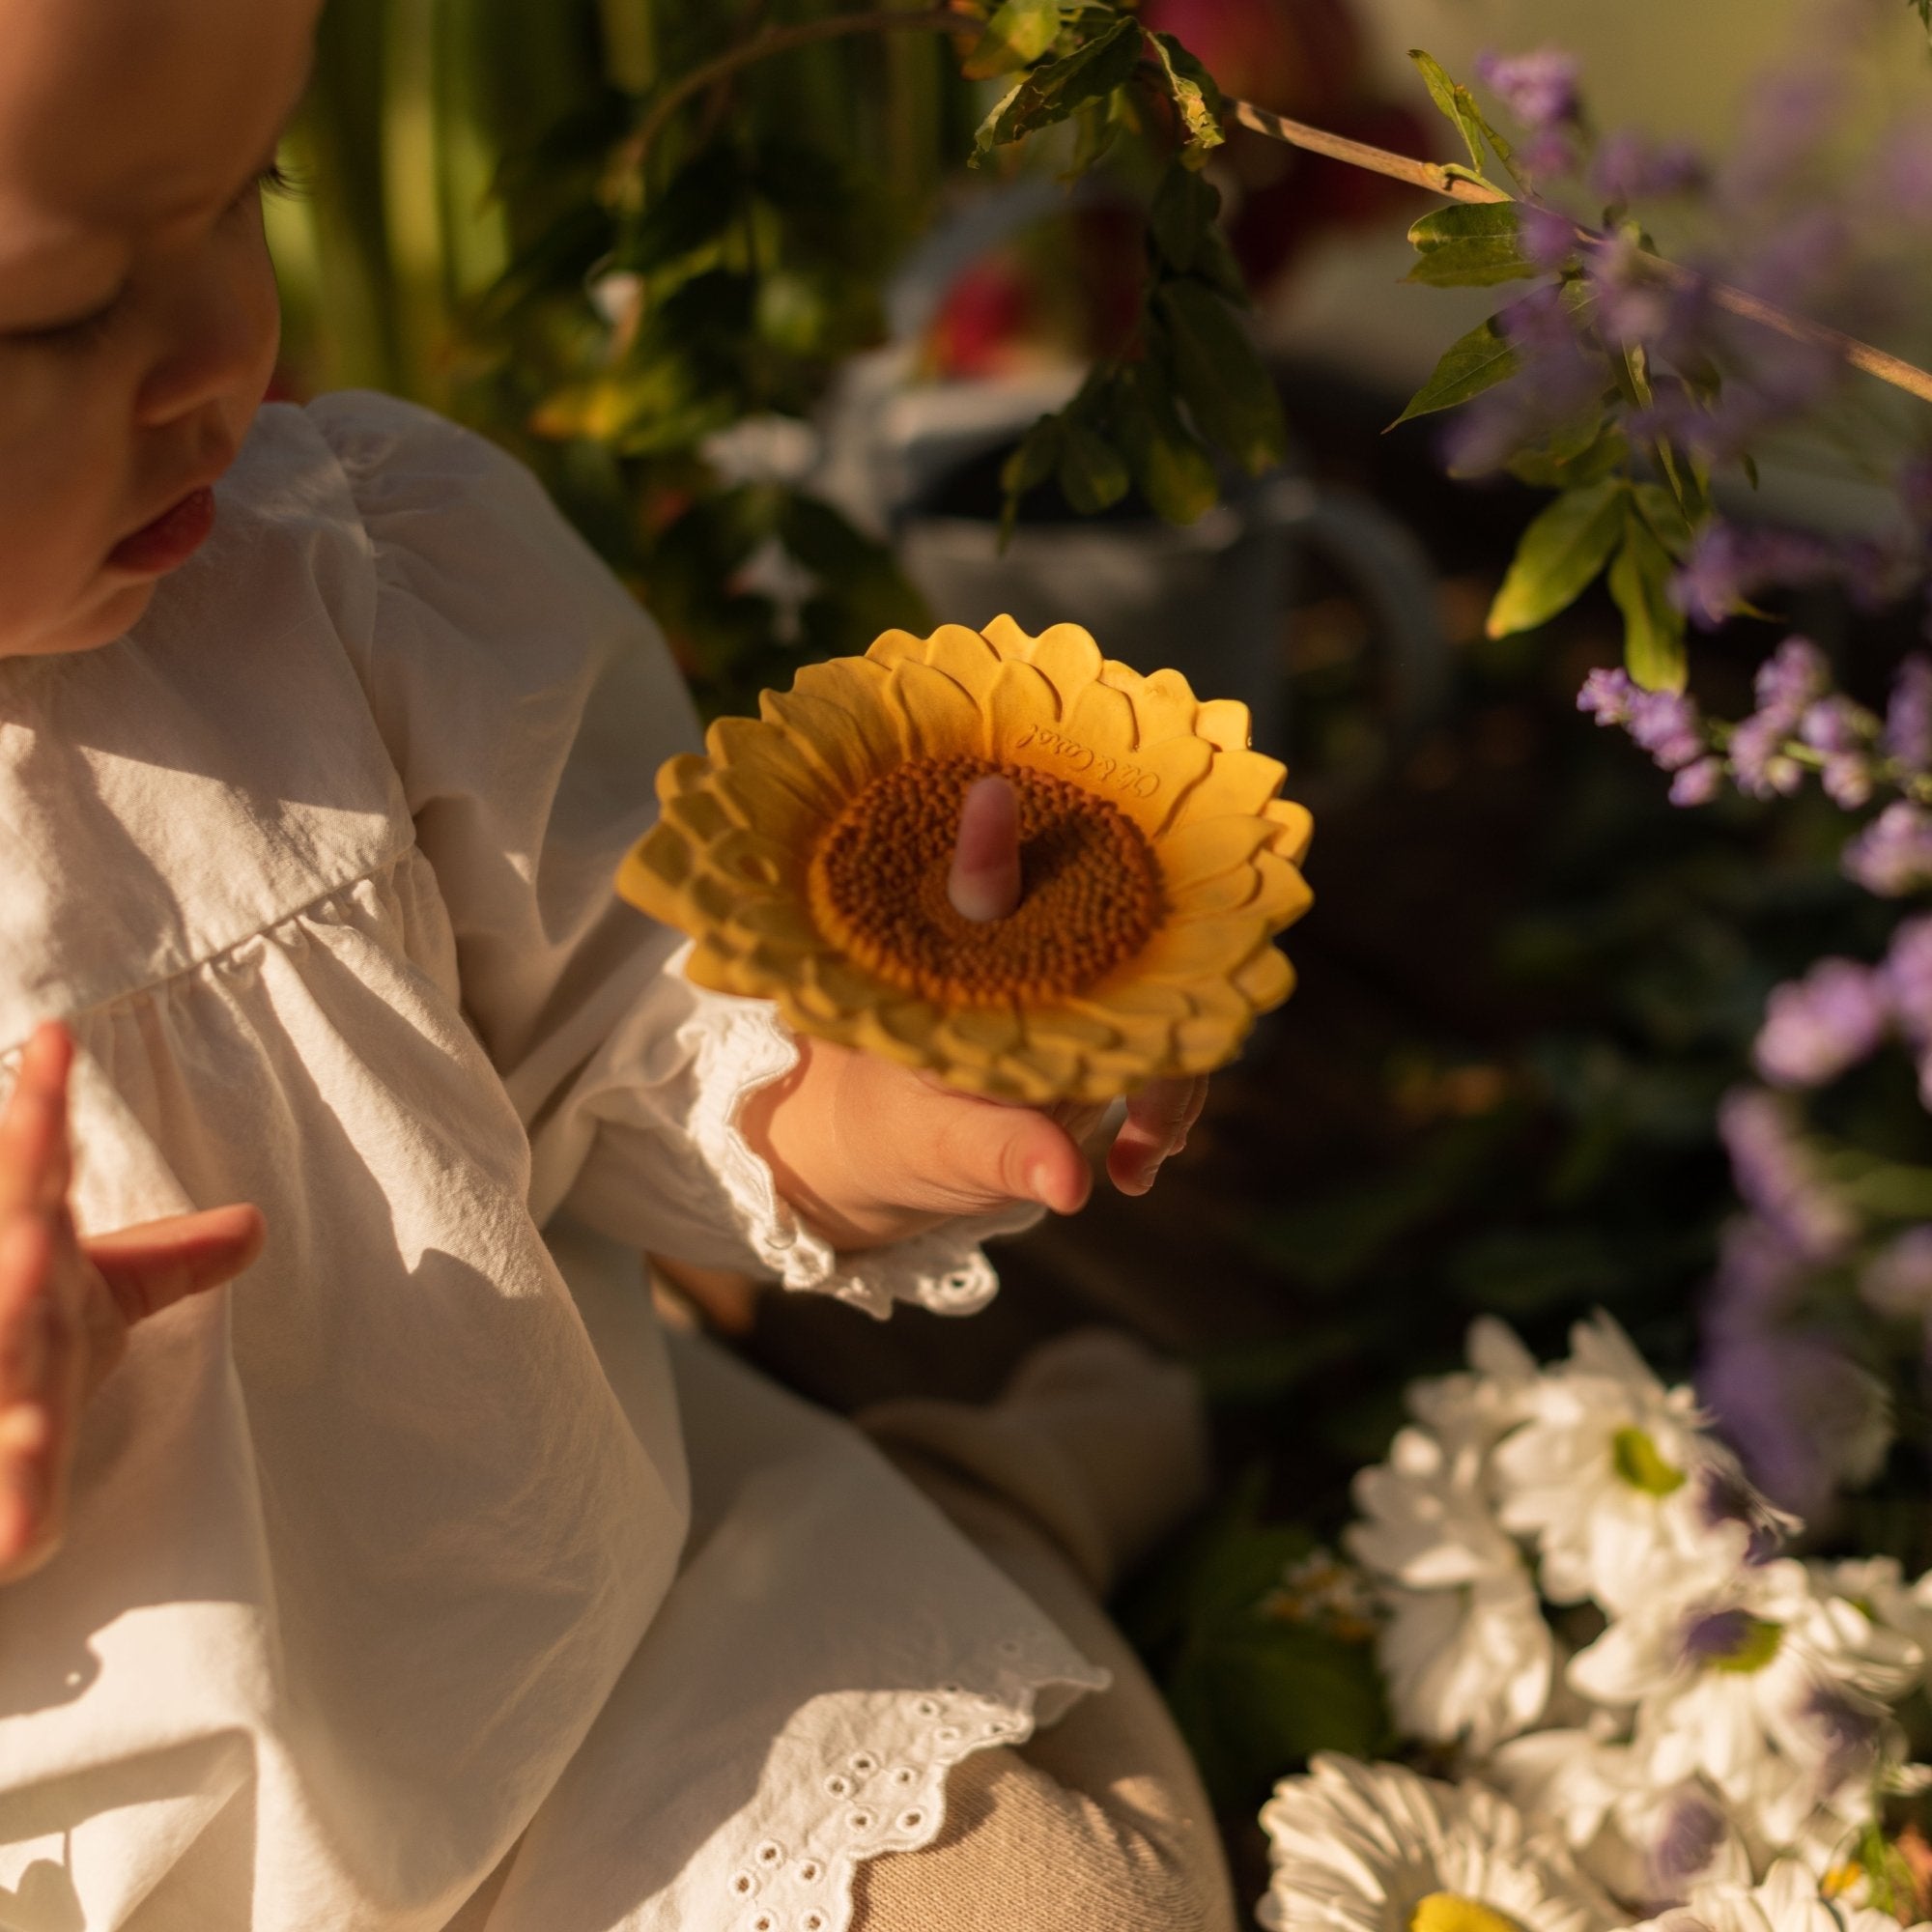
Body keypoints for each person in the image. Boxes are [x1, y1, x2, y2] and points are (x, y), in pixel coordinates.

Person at [0, 1, 1240, 1926]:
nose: (214, 361)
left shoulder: (337, 585)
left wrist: (884, 1092)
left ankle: (970, 1518)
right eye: (58, 311)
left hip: (568, 1680)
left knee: (1080, 1905)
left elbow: (629, 1029)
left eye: (247, 192)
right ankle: (998, 1485)